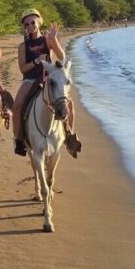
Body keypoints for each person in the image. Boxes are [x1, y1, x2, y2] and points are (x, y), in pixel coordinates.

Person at [12, 9, 82, 158]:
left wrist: (54, 40)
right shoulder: (23, 46)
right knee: (17, 105)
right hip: (30, 79)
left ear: (39, 23)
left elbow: (62, 57)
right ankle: (18, 139)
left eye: (33, 22)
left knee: (68, 104)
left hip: (48, 78)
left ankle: (69, 134)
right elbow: (23, 68)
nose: (30, 26)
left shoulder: (47, 40)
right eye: (27, 24)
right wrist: (37, 60)